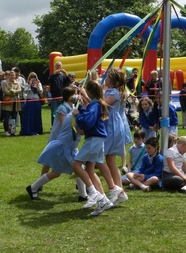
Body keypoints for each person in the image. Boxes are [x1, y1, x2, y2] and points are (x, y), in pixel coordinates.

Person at [26, 87, 86, 201]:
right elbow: (73, 128)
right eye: (75, 94)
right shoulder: (66, 110)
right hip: (63, 145)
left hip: (70, 146)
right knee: (61, 171)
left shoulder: (74, 109)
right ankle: (34, 187)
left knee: (72, 169)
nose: (77, 96)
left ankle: (83, 195)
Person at [70, 80, 115, 216]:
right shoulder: (95, 104)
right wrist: (83, 108)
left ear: (89, 92)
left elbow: (87, 122)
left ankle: (94, 193)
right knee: (89, 169)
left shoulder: (95, 106)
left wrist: (77, 113)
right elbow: (89, 116)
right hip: (97, 140)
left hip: (93, 140)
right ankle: (104, 200)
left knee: (76, 165)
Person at [102, 68, 129, 206]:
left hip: (112, 127)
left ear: (112, 80)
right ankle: (120, 191)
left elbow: (103, 104)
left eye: (107, 77)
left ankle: (114, 189)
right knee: (110, 159)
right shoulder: (112, 91)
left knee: (101, 158)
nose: (105, 78)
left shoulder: (113, 92)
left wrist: (86, 95)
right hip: (111, 125)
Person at [20, 72, 44, 136]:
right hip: (29, 102)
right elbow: (25, 91)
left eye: (34, 77)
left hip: (36, 102)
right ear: (29, 78)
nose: (33, 78)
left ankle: (37, 130)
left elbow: (41, 91)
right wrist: (30, 85)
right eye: (31, 77)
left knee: (36, 116)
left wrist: (37, 86)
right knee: (29, 116)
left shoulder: (39, 84)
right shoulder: (26, 84)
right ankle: (28, 130)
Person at [2, 71, 22, 136]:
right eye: (11, 75)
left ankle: (12, 131)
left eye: (13, 75)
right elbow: (6, 91)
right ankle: (6, 131)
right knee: (7, 117)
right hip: (8, 102)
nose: (12, 76)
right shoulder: (5, 83)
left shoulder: (17, 83)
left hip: (15, 103)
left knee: (14, 117)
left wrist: (12, 91)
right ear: (8, 76)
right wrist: (14, 92)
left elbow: (19, 90)